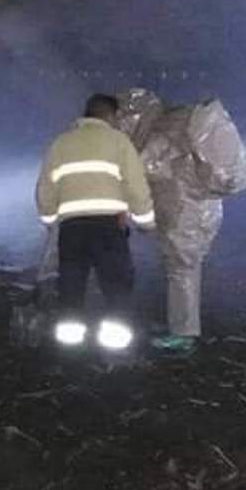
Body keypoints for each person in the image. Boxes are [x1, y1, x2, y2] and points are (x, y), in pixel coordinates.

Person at [116, 88, 246, 355]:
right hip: (197, 210)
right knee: (182, 269)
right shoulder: (178, 122)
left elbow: (146, 169)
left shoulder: (160, 134)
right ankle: (178, 325)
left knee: (182, 270)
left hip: (185, 213)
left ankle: (183, 334)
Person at [35, 93, 155, 351]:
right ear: (111, 115)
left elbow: (45, 187)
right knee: (116, 287)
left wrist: (49, 219)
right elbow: (136, 185)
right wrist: (145, 221)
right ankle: (114, 347)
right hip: (109, 228)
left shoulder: (61, 143)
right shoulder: (119, 142)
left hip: (72, 229)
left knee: (71, 285)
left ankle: (69, 347)